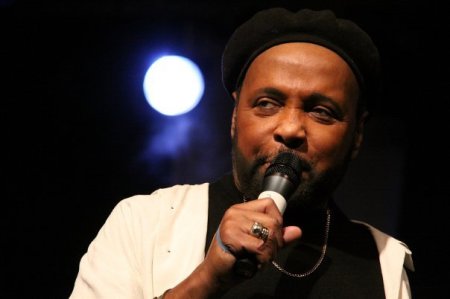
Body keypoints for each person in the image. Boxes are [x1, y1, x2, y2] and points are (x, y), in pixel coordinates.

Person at [70, 7, 414, 299]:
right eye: (267, 104)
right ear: (235, 117)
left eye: (321, 111)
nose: (291, 128)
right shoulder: (146, 222)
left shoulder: (383, 262)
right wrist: (205, 281)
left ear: (357, 135)